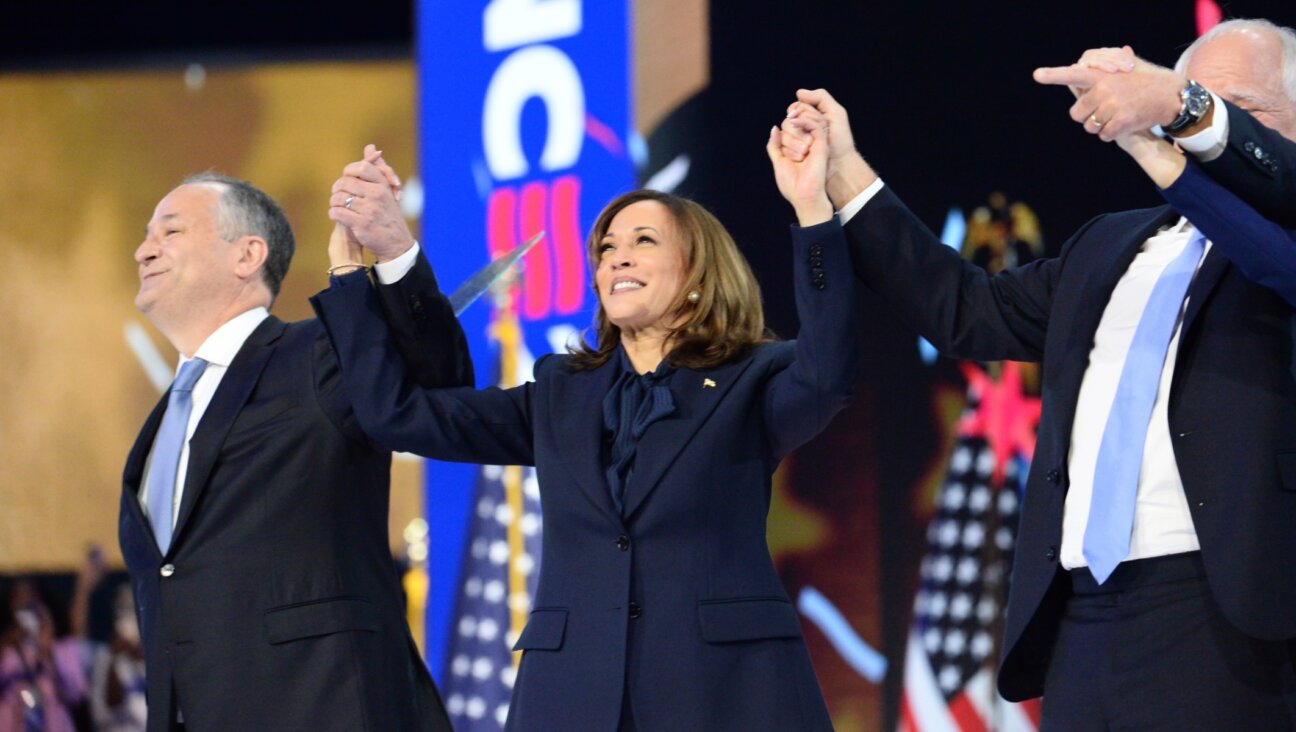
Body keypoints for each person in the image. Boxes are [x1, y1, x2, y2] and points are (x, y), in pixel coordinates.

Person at [779, 17, 1296, 730]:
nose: (1215, 123)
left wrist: (1175, 114)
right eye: (1200, 99)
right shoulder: (1111, 246)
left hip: (1225, 610)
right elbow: (962, 309)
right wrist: (842, 169)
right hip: (1084, 614)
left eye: (1243, 109)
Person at [310, 124, 854, 730]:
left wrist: (812, 210)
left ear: (698, 275)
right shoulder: (560, 394)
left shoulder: (752, 380)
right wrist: (356, 274)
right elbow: (399, 414)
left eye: (643, 240)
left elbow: (830, 372)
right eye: (606, 248)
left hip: (726, 693)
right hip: (572, 696)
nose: (616, 255)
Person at [119, 146, 473, 732]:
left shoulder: (319, 354)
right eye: (147, 234)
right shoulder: (161, 424)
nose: (144, 248)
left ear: (247, 254)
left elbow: (439, 383)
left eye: (171, 229)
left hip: (323, 710)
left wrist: (389, 248)